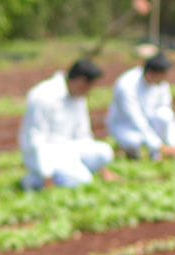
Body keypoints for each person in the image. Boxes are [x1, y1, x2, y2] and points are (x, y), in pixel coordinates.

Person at [19, 58, 117, 190]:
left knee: (104, 152)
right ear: (80, 81)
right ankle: (35, 180)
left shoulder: (78, 96)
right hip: (45, 152)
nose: (89, 92)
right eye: (88, 87)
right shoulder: (43, 96)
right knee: (83, 181)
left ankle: (69, 172)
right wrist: (46, 175)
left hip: (67, 149)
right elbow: (36, 139)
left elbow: (83, 135)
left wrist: (103, 170)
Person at [106, 50, 175, 161]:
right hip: (126, 126)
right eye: (163, 75)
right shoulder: (127, 85)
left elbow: (168, 113)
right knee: (134, 144)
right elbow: (136, 120)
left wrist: (174, 144)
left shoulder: (161, 84)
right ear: (151, 73)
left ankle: (159, 153)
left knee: (164, 114)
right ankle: (131, 152)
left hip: (150, 123)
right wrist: (160, 147)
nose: (165, 79)